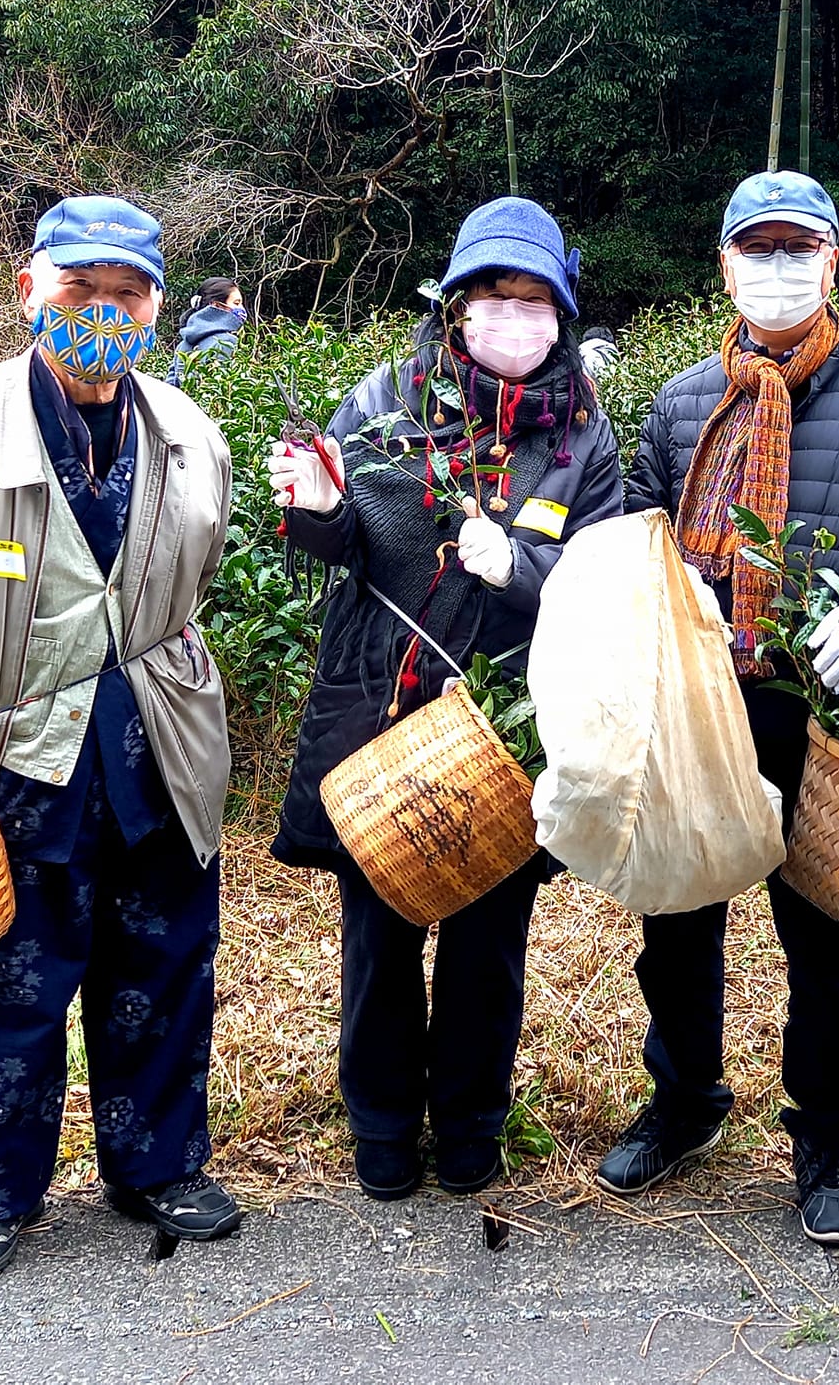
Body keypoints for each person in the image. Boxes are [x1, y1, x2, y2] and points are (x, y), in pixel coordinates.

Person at [0, 196, 239, 1284]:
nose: (101, 313)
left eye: (126, 295)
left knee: (160, 964)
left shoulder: (188, 435)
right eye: (79, 291)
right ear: (31, 290)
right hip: (15, 755)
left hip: (157, 746)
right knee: (7, 979)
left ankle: (154, 1167)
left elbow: (197, 574)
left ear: (156, 308)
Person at [604, 170, 839, 1246]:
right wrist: (671, 613)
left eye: (793, 250)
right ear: (722, 267)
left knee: (820, 939)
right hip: (701, 701)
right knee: (676, 920)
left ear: (830, 262)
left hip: (822, 707)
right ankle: (683, 1102)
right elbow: (640, 526)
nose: (774, 269)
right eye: (753, 251)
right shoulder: (679, 400)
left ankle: (826, 1144)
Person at [267, 197, 625, 1200]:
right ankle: (380, 1127)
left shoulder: (580, 437)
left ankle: (469, 1125)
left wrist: (515, 562)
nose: (513, 318)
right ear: (455, 307)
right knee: (378, 934)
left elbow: (601, 579)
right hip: (384, 703)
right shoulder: (383, 399)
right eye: (492, 298)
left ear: (559, 314)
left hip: (510, 720)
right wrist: (319, 507)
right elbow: (334, 547)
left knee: (486, 940)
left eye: (533, 302)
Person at [168, 277, 247, 388]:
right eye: (236, 303)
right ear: (217, 306)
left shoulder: (183, 345)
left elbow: (170, 387)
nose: (241, 308)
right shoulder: (226, 342)